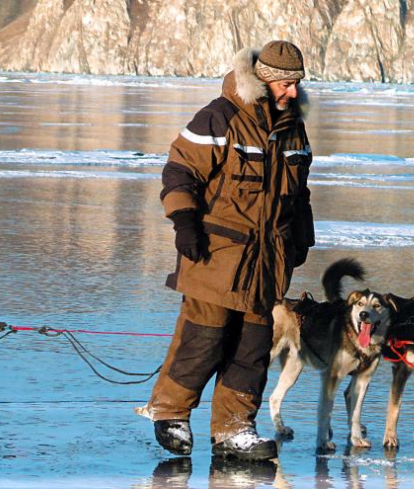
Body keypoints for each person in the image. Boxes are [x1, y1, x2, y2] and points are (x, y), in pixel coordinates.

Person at [136, 41, 315, 461]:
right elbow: (179, 171)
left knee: (252, 349)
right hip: (215, 255)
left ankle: (235, 428)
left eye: (297, 83)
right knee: (204, 338)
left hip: (268, 262)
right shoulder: (219, 116)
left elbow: (300, 194)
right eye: (286, 83)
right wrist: (184, 222)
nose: (293, 91)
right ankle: (170, 412)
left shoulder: (294, 130)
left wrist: (301, 240)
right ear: (265, 80)